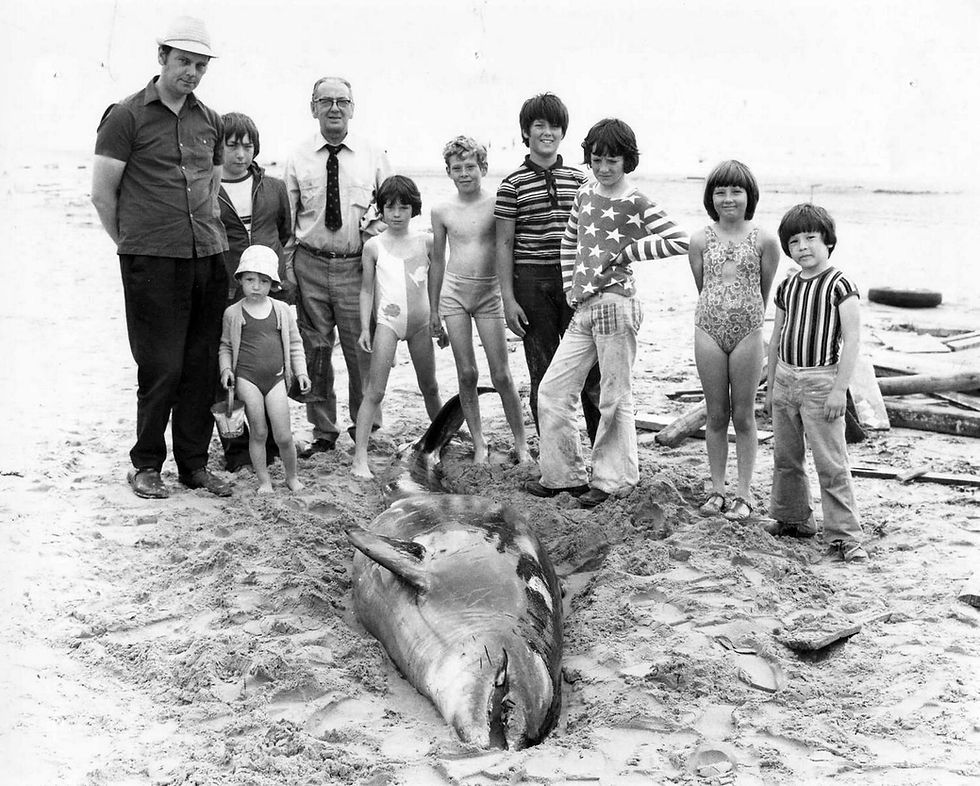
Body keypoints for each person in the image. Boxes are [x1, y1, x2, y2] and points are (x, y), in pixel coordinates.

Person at [91, 16, 231, 499]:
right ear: (162, 57)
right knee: (160, 366)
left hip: (208, 257)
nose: (191, 73)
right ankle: (146, 463)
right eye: (183, 62)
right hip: (151, 261)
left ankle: (193, 464)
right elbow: (102, 195)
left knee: (200, 366)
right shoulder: (125, 116)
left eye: (199, 65)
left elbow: (212, 188)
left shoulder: (210, 120)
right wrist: (131, 244)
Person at [525, 118, 689, 508]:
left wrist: (630, 253)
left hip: (617, 306)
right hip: (583, 308)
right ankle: (563, 477)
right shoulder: (584, 194)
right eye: (597, 159)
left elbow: (681, 240)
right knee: (552, 390)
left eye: (612, 160)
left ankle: (614, 480)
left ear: (626, 160)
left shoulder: (636, 200)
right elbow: (569, 240)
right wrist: (570, 286)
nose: (603, 168)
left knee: (615, 396)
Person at [283, 76, 393, 456]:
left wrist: (372, 234)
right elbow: (288, 220)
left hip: (356, 268)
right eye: (325, 101)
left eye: (342, 101)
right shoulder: (297, 158)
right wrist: (288, 270)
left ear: (352, 108)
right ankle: (323, 431)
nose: (334, 108)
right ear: (312, 107)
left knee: (362, 349)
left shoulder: (373, 154)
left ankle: (367, 427)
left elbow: (394, 206)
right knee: (314, 351)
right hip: (309, 264)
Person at [494, 93, 601, 445]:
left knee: (591, 372)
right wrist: (508, 300)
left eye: (554, 125)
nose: (547, 132)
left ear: (563, 132)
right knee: (543, 373)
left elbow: (592, 236)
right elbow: (504, 245)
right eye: (539, 125)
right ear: (526, 132)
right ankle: (555, 459)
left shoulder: (581, 180)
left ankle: (601, 453)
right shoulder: (511, 185)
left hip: (575, 283)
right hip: (531, 285)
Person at [764, 204, 868, 563]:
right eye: (794, 241)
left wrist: (840, 389)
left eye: (811, 238)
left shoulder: (841, 285)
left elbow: (852, 340)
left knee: (831, 462)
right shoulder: (788, 285)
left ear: (828, 242)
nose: (803, 246)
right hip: (785, 381)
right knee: (786, 457)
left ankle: (844, 535)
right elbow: (776, 336)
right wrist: (770, 383)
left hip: (821, 381)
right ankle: (793, 519)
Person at [688, 161, 780, 521]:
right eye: (720, 191)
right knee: (715, 414)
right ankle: (716, 489)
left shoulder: (765, 239)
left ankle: (743, 494)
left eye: (736, 191)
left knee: (743, 415)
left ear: (749, 196)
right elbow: (703, 286)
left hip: (748, 333)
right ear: (711, 197)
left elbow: (764, 289)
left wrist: (747, 318)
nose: (728, 198)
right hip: (708, 329)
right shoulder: (699, 239)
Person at [429, 136, 530, 464]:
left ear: (483, 167)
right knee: (467, 372)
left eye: (470, 166)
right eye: (456, 168)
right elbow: (438, 261)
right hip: (454, 294)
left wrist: (509, 295)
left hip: (489, 294)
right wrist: (433, 310)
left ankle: (522, 444)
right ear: (448, 172)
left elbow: (508, 247)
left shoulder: (497, 202)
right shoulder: (441, 210)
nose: (464, 173)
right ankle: (479, 442)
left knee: (501, 374)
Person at [351, 176, 442, 479]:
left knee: (429, 386)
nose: (397, 213)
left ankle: (442, 442)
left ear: (414, 209)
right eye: (390, 207)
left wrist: (437, 316)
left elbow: (436, 283)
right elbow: (366, 290)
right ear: (381, 209)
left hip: (419, 324)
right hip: (387, 324)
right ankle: (359, 458)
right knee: (374, 391)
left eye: (404, 207)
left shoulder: (426, 241)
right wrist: (366, 328)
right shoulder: (373, 246)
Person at [217, 111, 292, 472]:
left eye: (248, 146)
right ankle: (235, 448)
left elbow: (285, 232)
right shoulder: (207, 188)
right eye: (231, 146)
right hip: (226, 288)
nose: (240, 154)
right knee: (230, 366)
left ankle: (273, 444)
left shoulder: (274, 188)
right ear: (218, 147)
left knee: (269, 362)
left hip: (268, 290)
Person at [219, 246, 310, 493]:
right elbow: (225, 346)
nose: (256, 286)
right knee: (258, 431)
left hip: (277, 378)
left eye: (263, 281)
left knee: (283, 435)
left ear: (273, 283)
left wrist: (301, 372)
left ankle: (292, 477)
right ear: (239, 280)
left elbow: (295, 343)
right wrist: (226, 370)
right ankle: (264, 481)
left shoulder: (281, 310)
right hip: (247, 379)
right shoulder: (233, 313)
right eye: (250, 280)